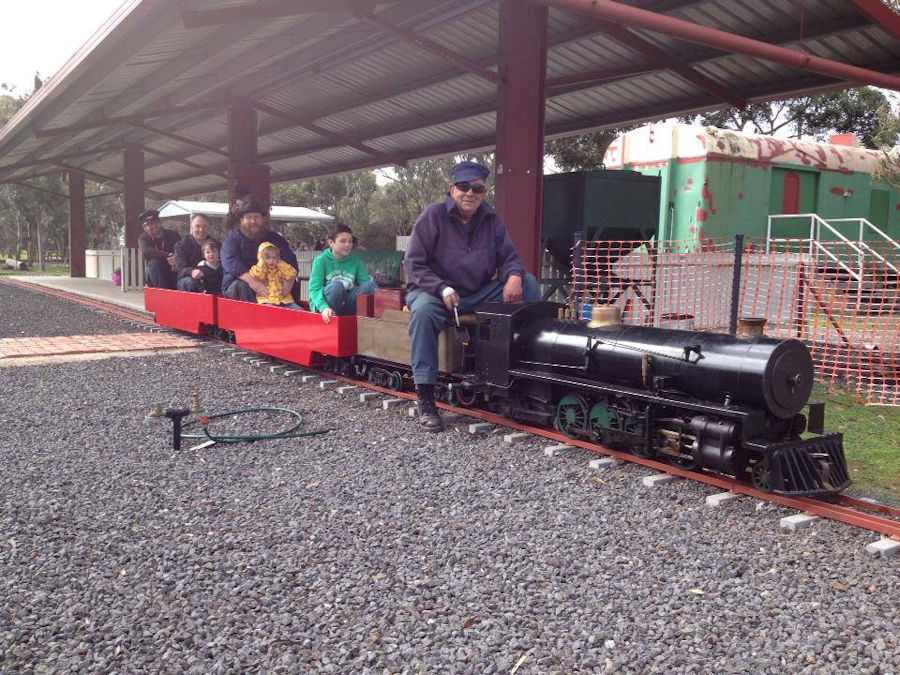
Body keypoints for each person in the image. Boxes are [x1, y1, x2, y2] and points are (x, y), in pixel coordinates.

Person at [404, 160, 541, 432]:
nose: (469, 193)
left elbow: (511, 258)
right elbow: (414, 264)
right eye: (463, 186)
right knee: (422, 314)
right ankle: (426, 397)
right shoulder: (432, 216)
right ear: (451, 188)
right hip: (433, 292)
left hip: (476, 293)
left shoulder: (492, 221)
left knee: (527, 283)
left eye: (476, 188)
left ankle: (524, 367)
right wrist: (442, 287)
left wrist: (513, 275)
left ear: (484, 191)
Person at [221, 199, 299, 302]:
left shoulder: (275, 238)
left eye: (256, 217)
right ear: (242, 220)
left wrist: (289, 281)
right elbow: (230, 262)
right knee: (244, 286)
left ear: (262, 219)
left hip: (271, 282)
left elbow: (290, 259)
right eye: (249, 218)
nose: (253, 221)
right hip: (238, 284)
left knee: (293, 284)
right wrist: (252, 281)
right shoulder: (232, 240)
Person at [308, 222, 378, 324]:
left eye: (350, 241)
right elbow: (314, 289)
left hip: (347, 304)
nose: (347, 245)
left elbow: (366, 285)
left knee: (371, 285)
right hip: (326, 307)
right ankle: (334, 320)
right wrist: (324, 308)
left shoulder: (356, 262)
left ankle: (366, 321)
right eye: (343, 241)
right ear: (331, 243)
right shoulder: (321, 261)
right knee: (336, 286)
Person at [248, 242, 302, 309]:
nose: (271, 261)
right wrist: (262, 262)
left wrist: (280, 262)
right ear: (261, 258)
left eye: (274, 258)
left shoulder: (281, 270)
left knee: (299, 310)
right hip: (267, 301)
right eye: (268, 258)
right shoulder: (256, 269)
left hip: (285, 301)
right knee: (271, 312)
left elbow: (292, 273)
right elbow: (258, 275)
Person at [137, 209, 181, 289]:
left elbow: (181, 249)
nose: (154, 226)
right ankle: (162, 294)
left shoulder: (173, 234)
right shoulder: (143, 238)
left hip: (173, 270)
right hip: (155, 274)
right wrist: (167, 255)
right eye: (150, 224)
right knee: (154, 263)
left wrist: (176, 258)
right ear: (145, 227)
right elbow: (146, 251)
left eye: (155, 223)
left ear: (160, 223)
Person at [174, 213, 216, 292]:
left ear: (208, 228)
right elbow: (180, 269)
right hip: (187, 280)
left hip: (211, 278)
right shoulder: (181, 246)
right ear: (191, 227)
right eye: (198, 226)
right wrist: (192, 271)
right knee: (191, 282)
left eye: (204, 226)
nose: (201, 229)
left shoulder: (216, 245)